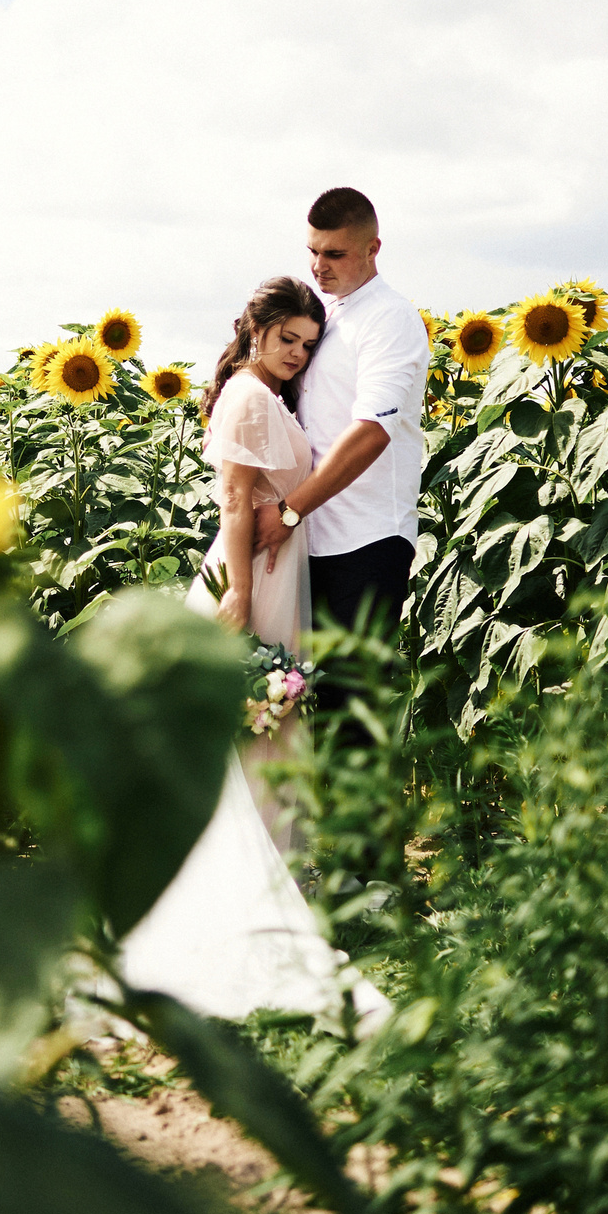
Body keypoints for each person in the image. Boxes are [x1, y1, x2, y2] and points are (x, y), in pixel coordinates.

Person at [116, 276, 389, 1035]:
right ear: (257, 328)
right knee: (252, 726)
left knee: (268, 729)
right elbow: (236, 501)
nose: (299, 355)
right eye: (288, 339)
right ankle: (243, 895)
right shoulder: (247, 394)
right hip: (253, 576)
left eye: (308, 344)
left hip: (274, 570)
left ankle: (272, 887)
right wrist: (237, 596)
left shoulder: (268, 395)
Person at [258, 186, 431, 643]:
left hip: (366, 541)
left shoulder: (389, 318)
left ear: (373, 249)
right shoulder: (323, 316)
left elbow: (372, 431)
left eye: (334, 254)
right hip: (309, 540)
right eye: (312, 251)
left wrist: (290, 511)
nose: (318, 267)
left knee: (350, 703)